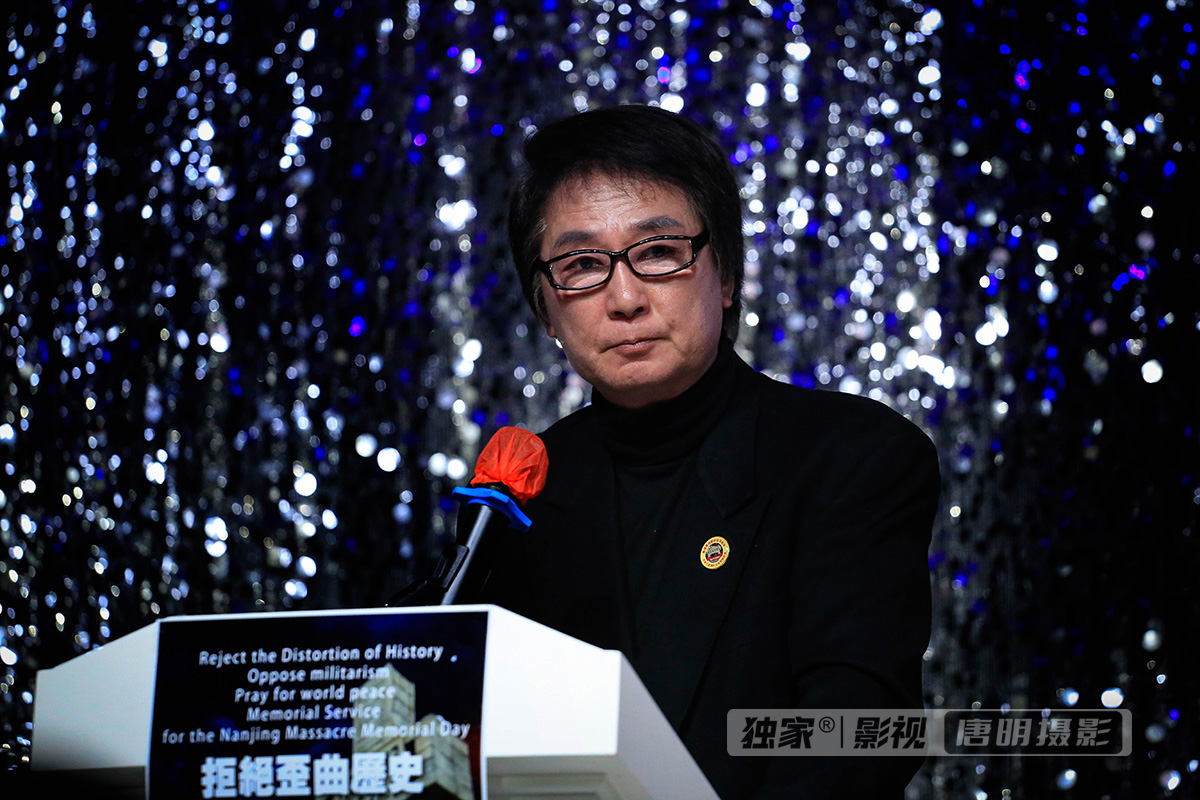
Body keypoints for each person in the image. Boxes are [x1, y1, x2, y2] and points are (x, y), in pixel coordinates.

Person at [482, 104, 941, 799]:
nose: (625, 298)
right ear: (546, 309)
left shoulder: (852, 456)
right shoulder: (520, 492)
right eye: (582, 265)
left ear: (724, 277)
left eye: (658, 252)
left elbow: (858, 727)